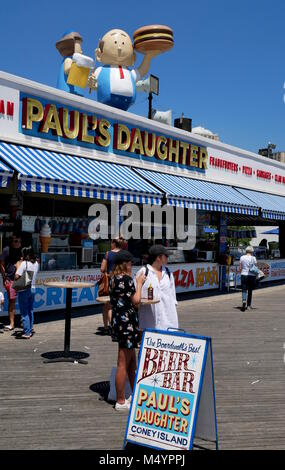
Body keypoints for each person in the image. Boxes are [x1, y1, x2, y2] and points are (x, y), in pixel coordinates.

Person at [109, 250, 145, 411]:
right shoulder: (127, 280)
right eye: (130, 262)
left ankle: (134, 394)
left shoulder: (113, 279)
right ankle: (121, 400)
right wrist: (139, 283)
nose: (132, 265)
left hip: (119, 323)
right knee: (123, 363)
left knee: (131, 362)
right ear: (125, 263)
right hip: (128, 324)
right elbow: (136, 301)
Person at [88, 29, 160, 111]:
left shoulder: (130, 74)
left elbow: (142, 70)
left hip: (126, 107)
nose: (119, 48)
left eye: (123, 44)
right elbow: (92, 83)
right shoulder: (100, 70)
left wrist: (148, 57)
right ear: (98, 54)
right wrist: (92, 83)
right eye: (115, 43)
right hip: (105, 106)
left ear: (133, 58)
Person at [136, 244, 178, 331]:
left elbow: (173, 297)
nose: (167, 258)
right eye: (166, 256)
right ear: (158, 258)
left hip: (168, 321)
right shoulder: (144, 272)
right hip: (149, 320)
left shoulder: (168, 273)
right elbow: (136, 294)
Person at [100, 237, 124, 335]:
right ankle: (115, 326)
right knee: (116, 306)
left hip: (110, 281)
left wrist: (108, 273)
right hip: (121, 282)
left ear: (114, 243)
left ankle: (108, 327)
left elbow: (102, 268)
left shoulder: (108, 253)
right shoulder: (123, 254)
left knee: (107, 305)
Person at [14, 247, 39, 339]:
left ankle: (27, 332)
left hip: (24, 289)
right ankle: (30, 328)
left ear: (25, 255)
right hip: (32, 288)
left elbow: (17, 276)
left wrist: (18, 265)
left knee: (24, 312)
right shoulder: (36, 263)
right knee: (30, 310)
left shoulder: (24, 263)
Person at [0, 234, 22, 331]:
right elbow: (1, 264)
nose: (15, 243)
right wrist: (4, 277)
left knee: (24, 300)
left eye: (17, 241)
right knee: (12, 301)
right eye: (13, 241)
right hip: (11, 279)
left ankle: (24, 322)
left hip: (22, 279)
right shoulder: (6, 250)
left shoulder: (22, 250)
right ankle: (12, 323)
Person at [56, 30, 84, 95]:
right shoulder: (69, 60)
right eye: (79, 47)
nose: (81, 51)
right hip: (67, 91)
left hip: (76, 93)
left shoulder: (73, 60)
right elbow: (68, 69)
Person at [240, 246, 257, 311]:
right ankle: (249, 305)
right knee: (250, 290)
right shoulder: (254, 258)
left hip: (244, 274)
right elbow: (255, 267)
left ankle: (244, 301)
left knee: (244, 289)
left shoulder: (242, 257)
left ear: (246, 251)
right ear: (252, 251)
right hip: (251, 275)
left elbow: (240, 267)